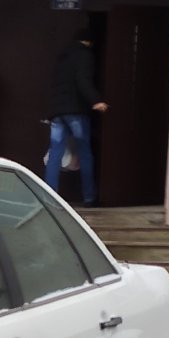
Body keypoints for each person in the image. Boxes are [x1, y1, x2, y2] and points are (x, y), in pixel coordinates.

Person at [44, 28, 109, 207]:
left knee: (55, 153)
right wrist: (96, 100)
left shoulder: (63, 57)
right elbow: (83, 80)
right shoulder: (85, 56)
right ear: (89, 41)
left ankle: (50, 197)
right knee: (85, 153)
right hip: (76, 112)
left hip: (57, 113)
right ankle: (89, 197)